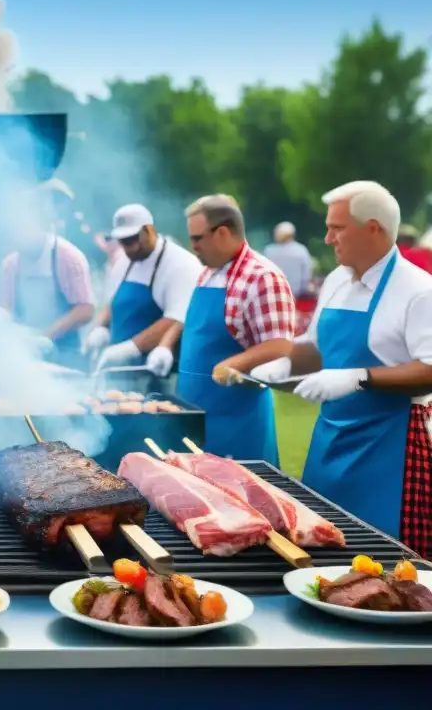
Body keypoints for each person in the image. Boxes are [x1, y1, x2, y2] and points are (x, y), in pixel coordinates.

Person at [252, 181, 432, 557]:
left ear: (373, 228)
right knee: (322, 549)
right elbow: (318, 348)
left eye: (338, 227)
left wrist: (359, 377)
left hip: (391, 449)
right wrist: (284, 363)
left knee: (388, 565)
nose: (328, 237)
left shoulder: (418, 290)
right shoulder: (335, 281)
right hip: (329, 440)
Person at [178, 195, 296, 465]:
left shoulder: (263, 277)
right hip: (193, 421)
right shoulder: (207, 273)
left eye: (197, 238)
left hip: (237, 427)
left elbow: (281, 345)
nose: (192, 246)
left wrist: (235, 363)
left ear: (221, 233)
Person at [88, 204, 203, 378]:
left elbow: (176, 318)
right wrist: (100, 328)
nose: (129, 248)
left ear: (149, 230)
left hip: (157, 372)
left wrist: (129, 349)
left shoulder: (181, 264)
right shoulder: (123, 262)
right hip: (118, 372)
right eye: (123, 241)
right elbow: (112, 302)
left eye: (133, 240)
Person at [0, 214, 95, 369]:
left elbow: (85, 310)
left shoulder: (68, 257)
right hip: (25, 355)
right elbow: (8, 310)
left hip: (66, 354)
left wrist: (45, 335)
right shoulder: (10, 264)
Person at [263, 221, 313, 298]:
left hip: (273, 295)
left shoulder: (269, 251)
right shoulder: (301, 250)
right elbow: (306, 277)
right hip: (296, 296)